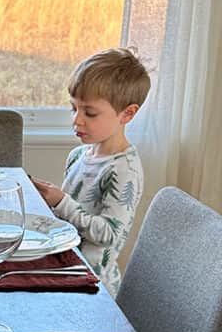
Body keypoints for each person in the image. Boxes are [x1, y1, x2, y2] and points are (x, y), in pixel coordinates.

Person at [31, 48, 150, 296]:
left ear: (127, 113)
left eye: (90, 113)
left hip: (92, 287)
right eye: (73, 108)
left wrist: (61, 201)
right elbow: (70, 220)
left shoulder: (124, 170)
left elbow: (108, 234)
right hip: (64, 272)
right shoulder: (78, 156)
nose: (77, 120)